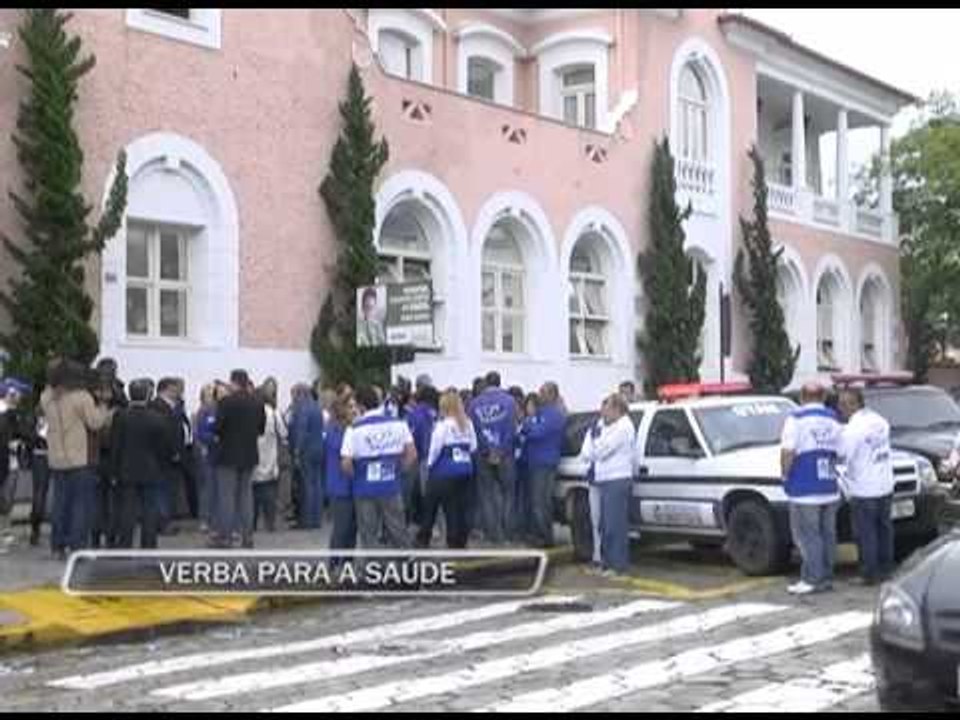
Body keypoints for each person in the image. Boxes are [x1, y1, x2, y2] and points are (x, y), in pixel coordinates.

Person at [41, 360, 113, 560]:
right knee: (80, 505)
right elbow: (95, 422)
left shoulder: (46, 397)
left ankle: (57, 546)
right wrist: (103, 404)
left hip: (56, 458)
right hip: (79, 458)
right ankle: (77, 547)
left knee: (59, 504)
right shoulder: (81, 397)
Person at [780, 382, 843, 595]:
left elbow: (788, 451)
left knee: (807, 535)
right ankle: (826, 577)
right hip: (829, 485)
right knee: (828, 534)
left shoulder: (796, 419)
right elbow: (841, 449)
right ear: (823, 396)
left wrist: (785, 475)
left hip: (804, 486)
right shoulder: (833, 418)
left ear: (801, 397)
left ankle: (811, 579)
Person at [340, 384, 417, 551]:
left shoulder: (353, 429)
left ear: (360, 405)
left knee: (368, 534)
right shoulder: (398, 423)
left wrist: (356, 477)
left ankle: (372, 569)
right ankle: (408, 564)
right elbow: (412, 454)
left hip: (364, 488)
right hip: (390, 485)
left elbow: (346, 463)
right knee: (398, 529)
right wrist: (400, 471)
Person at [838, 387, 896, 586]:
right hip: (885, 485)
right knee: (884, 530)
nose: (841, 408)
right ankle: (887, 569)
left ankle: (869, 573)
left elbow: (843, 456)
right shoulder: (880, 420)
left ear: (856, 404)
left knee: (866, 533)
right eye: (840, 403)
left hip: (864, 488)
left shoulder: (853, 429)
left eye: (845, 404)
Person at [110, 379, 174, 549]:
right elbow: (164, 447)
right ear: (148, 395)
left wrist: (113, 470)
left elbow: (115, 445)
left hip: (127, 469)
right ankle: (149, 544)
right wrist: (160, 464)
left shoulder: (121, 417)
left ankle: (125, 544)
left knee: (127, 510)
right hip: (151, 469)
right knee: (149, 510)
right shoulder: (157, 419)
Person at [578, 393, 635, 576]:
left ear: (617, 409)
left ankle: (617, 565)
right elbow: (592, 450)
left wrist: (596, 447)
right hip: (605, 479)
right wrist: (596, 447)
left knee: (615, 525)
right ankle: (607, 562)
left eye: (607, 408)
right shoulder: (611, 426)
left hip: (616, 479)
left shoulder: (623, 427)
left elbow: (602, 450)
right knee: (605, 524)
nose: (604, 413)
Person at [210, 369, 266, 549]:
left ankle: (225, 537)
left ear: (233, 382)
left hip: (227, 455)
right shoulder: (257, 403)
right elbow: (261, 429)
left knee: (226, 496)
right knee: (246, 496)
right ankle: (248, 537)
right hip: (249, 454)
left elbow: (217, 428)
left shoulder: (226, 402)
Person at [417, 389, 478, 549]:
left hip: (444, 471)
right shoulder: (468, 423)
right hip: (465, 470)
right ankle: (458, 541)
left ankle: (423, 538)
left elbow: (435, 449)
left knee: (431, 504)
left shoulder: (442, 425)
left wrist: (429, 465)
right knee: (458, 508)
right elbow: (473, 447)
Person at [468, 371, 518, 544]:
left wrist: (488, 451)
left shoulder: (474, 404)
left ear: (486, 384)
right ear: (499, 382)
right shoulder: (510, 401)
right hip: (506, 454)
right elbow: (512, 428)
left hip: (483, 454)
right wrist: (501, 450)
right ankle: (508, 535)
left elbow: (473, 431)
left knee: (486, 495)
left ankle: (493, 536)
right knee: (508, 494)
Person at [523, 382, 567, 548]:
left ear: (551, 395)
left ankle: (545, 537)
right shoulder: (542, 413)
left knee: (540, 502)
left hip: (544, 462)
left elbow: (536, 432)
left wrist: (529, 422)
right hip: (536, 461)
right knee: (539, 501)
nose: (539, 395)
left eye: (542, 392)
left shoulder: (554, 415)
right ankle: (540, 534)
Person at [151, 378, 186, 535]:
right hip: (163, 455)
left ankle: (166, 520)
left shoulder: (174, 406)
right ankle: (162, 522)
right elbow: (165, 432)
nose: (177, 392)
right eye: (173, 389)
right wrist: (173, 451)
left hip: (172, 455)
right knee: (161, 489)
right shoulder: (158, 406)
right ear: (165, 389)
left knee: (168, 489)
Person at [326, 394, 358, 558]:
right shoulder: (335, 430)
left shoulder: (350, 429)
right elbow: (345, 457)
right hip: (340, 486)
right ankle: (334, 564)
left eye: (355, 406)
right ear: (342, 409)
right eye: (351, 407)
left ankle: (347, 563)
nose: (355, 410)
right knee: (341, 528)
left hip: (352, 486)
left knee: (352, 529)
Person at [253, 386, 286, 533]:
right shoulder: (274, 413)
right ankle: (270, 523)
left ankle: (251, 523)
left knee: (253, 493)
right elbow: (284, 433)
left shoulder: (251, 412)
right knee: (269, 493)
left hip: (253, 455)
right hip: (270, 456)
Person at [404, 384, 439, 528]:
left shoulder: (412, 414)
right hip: (427, 458)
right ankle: (430, 526)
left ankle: (411, 523)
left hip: (413, 457)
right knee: (427, 495)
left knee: (411, 493)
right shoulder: (434, 414)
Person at [292, 383, 325, 529]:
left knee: (307, 485)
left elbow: (302, 431)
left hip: (307, 450)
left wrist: (297, 451)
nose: (293, 399)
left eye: (294, 395)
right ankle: (317, 519)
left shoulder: (303, 408)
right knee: (317, 484)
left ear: (301, 394)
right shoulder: (318, 407)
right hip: (319, 448)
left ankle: (308, 521)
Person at [0, 380, 26, 551]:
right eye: (19, 393)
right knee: (3, 500)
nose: (21, 397)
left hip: (12, 462)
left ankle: (5, 534)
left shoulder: (13, 413)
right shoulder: (5, 413)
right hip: (4, 463)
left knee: (7, 501)